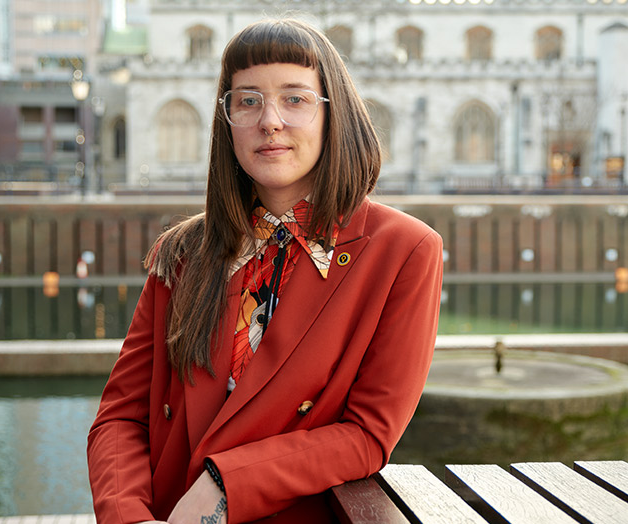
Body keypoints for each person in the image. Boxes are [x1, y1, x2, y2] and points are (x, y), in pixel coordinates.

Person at [87, 18, 443, 524]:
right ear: (226, 120)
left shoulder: (404, 251)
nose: (269, 120)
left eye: (295, 99)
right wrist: (128, 516)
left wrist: (225, 483)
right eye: (247, 100)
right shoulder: (183, 251)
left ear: (331, 114)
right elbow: (121, 416)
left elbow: (369, 434)